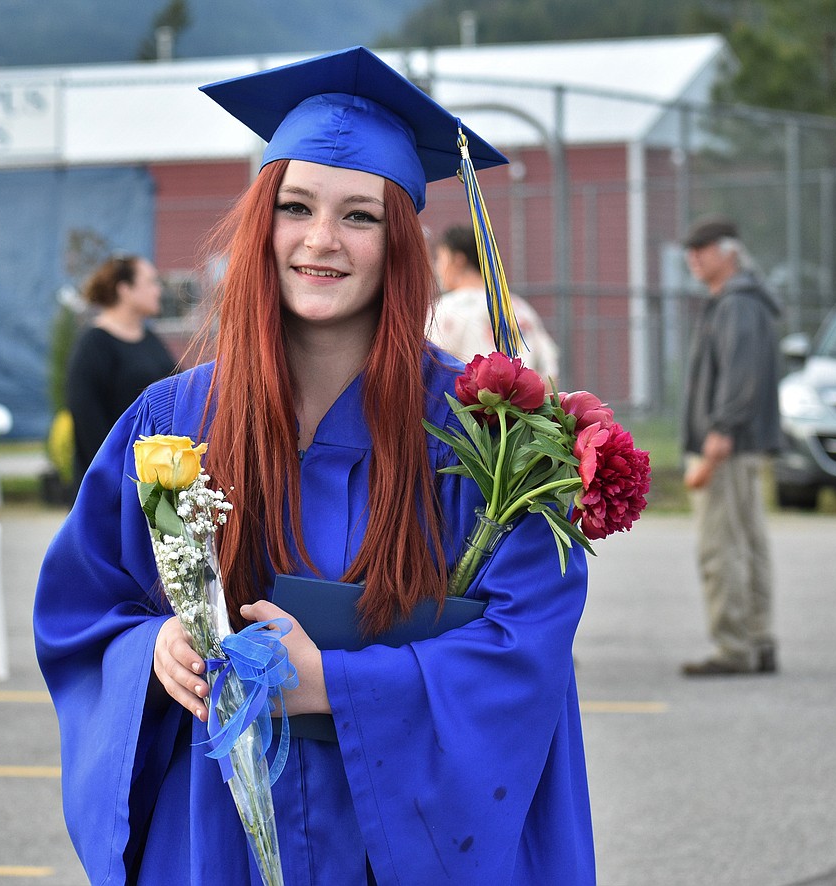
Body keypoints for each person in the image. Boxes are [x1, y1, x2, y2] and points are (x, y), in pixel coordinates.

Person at [34, 46, 594, 885]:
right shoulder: (175, 419)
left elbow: (526, 644)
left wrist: (334, 684)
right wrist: (153, 649)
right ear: (263, 222)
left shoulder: (484, 436)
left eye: (359, 216)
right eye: (296, 207)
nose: (320, 241)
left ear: (400, 241)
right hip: (219, 824)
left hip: (404, 837)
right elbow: (84, 611)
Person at [679, 216, 782, 677]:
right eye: (690, 250)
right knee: (748, 542)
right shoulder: (741, 301)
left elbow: (742, 377)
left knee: (721, 547)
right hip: (741, 446)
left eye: (702, 248)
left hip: (726, 445)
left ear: (729, 252)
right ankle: (758, 639)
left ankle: (733, 647)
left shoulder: (738, 304)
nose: (693, 258)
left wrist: (718, 434)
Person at [64, 255, 177, 497]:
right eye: (151, 282)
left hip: (158, 480)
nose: (158, 290)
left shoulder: (150, 339)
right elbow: (88, 425)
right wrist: (116, 480)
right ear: (125, 290)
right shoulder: (94, 345)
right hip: (116, 486)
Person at [429, 224, 561, 384]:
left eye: (440, 258)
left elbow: (428, 369)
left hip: (464, 407)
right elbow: (549, 376)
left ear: (458, 260)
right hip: (522, 407)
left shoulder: (445, 309)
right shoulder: (519, 307)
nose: (437, 267)